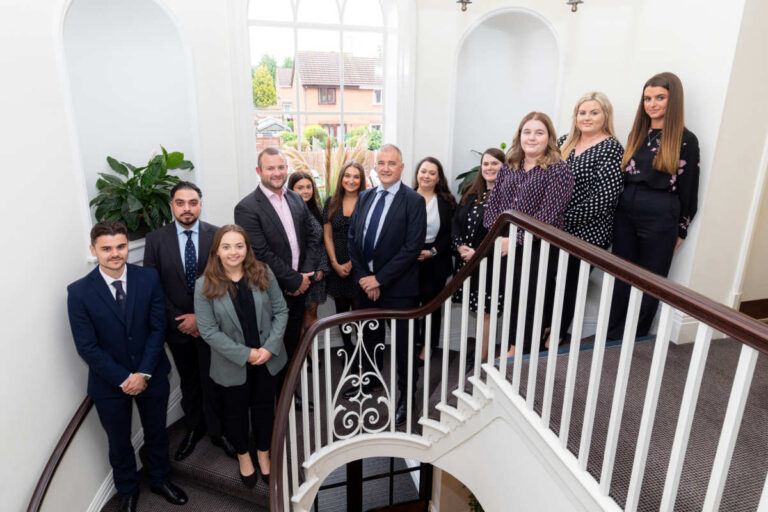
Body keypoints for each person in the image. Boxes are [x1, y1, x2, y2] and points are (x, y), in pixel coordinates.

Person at [67, 221, 187, 512]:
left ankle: (160, 479)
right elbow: (87, 346)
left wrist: (143, 373)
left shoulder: (148, 278)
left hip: (152, 374)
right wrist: (124, 378)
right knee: (118, 442)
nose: (115, 254)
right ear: (93, 249)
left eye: (120, 246)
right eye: (106, 248)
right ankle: (128, 490)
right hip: (109, 383)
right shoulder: (79, 292)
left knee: (156, 432)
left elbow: (157, 329)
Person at [143, 181, 236, 461]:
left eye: (193, 202)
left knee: (217, 378)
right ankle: (195, 429)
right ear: (172, 205)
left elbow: (227, 277)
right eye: (181, 203)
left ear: (200, 204)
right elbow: (152, 285)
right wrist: (179, 319)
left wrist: (201, 318)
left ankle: (220, 432)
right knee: (190, 381)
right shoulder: (155, 240)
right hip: (178, 327)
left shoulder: (218, 235)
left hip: (214, 325)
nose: (187, 208)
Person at [607, 72, 700, 340]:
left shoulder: (685, 139)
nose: (653, 104)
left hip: (660, 214)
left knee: (651, 280)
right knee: (622, 275)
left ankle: (636, 337)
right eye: (648, 98)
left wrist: (681, 231)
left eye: (660, 97)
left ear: (673, 101)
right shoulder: (638, 134)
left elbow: (689, 189)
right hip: (626, 212)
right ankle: (613, 335)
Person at [194, 225, 288, 488]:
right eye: (226, 246)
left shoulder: (263, 272)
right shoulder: (204, 284)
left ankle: (263, 454)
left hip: (267, 359)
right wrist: (246, 354)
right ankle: (244, 456)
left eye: (239, 246)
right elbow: (209, 331)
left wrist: (268, 348)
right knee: (234, 413)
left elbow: (281, 312)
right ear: (217, 251)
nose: (233, 252)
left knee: (264, 409)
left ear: (247, 248)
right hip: (231, 363)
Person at [234, 147, 321, 409]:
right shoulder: (247, 207)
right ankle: (269, 405)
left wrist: (303, 277)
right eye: (270, 168)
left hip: (298, 291)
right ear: (259, 171)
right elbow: (260, 252)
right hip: (267, 295)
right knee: (270, 351)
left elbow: (313, 237)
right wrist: (294, 281)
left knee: (292, 347)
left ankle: (288, 395)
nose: (277, 173)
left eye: (281, 167)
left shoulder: (295, 199)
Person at [347, 144, 426, 426]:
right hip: (365, 286)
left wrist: (379, 279)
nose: (386, 168)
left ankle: (407, 398)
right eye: (381, 163)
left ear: (402, 167)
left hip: (399, 289)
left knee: (404, 347)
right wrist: (364, 278)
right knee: (369, 340)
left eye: (391, 163)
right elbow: (353, 239)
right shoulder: (366, 195)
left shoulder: (413, 201)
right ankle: (369, 381)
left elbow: (411, 247)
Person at [483, 112, 574, 357]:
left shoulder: (559, 171)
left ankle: (520, 351)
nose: (532, 137)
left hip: (539, 246)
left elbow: (547, 216)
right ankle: (513, 347)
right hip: (505, 243)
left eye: (539, 132)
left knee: (530, 301)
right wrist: (498, 238)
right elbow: (493, 209)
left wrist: (516, 240)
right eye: (527, 132)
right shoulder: (508, 168)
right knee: (512, 298)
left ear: (549, 138)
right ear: (519, 135)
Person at [543, 93, 624, 347]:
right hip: (554, 229)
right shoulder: (565, 141)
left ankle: (557, 333)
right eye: (582, 113)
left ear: (605, 116)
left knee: (569, 284)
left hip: (588, 233)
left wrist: (562, 218)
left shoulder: (611, 147)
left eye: (594, 112)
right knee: (547, 280)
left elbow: (605, 198)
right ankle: (544, 326)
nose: (586, 118)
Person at [451, 148, 506, 361]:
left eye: (495, 163)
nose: (489, 168)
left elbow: (505, 234)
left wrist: (479, 252)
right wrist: (459, 246)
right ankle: (481, 352)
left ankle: (481, 359)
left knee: (486, 312)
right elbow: (456, 222)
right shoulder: (471, 192)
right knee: (477, 309)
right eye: (486, 164)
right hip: (468, 263)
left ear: (505, 167)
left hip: (491, 264)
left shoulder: (507, 196)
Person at [412, 157, 456, 362]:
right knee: (410, 306)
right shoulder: (406, 198)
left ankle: (428, 346)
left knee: (432, 307)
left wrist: (433, 251)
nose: (426, 176)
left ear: (438, 178)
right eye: (423, 171)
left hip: (436, 261)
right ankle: (411, 343)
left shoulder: (446, 202)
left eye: (431, 173)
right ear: (417, 174)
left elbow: (450, 234)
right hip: (409, 262)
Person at [323, 161, 366, 353]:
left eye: (356, 176)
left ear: (361, 180)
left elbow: (369, 235)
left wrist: (351, 262)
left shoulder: (367, 201)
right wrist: (335, 263)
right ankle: (348, 349)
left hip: (360, 264)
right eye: (347, 176)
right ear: (341, 179)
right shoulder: (331, 202)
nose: (351, 180)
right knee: (341, 312)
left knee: (360, 312)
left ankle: (362, 350)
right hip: (337, 266)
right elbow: (327, 235)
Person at [287, 171, 329, 338]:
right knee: (296, 315)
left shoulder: (318, 210)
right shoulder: (288, 212)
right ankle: (299, 355)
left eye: (308, 187)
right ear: (291, 189)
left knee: (312, 310)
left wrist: (322, 268)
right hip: (296, 273)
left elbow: (324, 242)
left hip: (317, 273)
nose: (305, 191)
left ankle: (311, 350)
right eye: (300, 187)